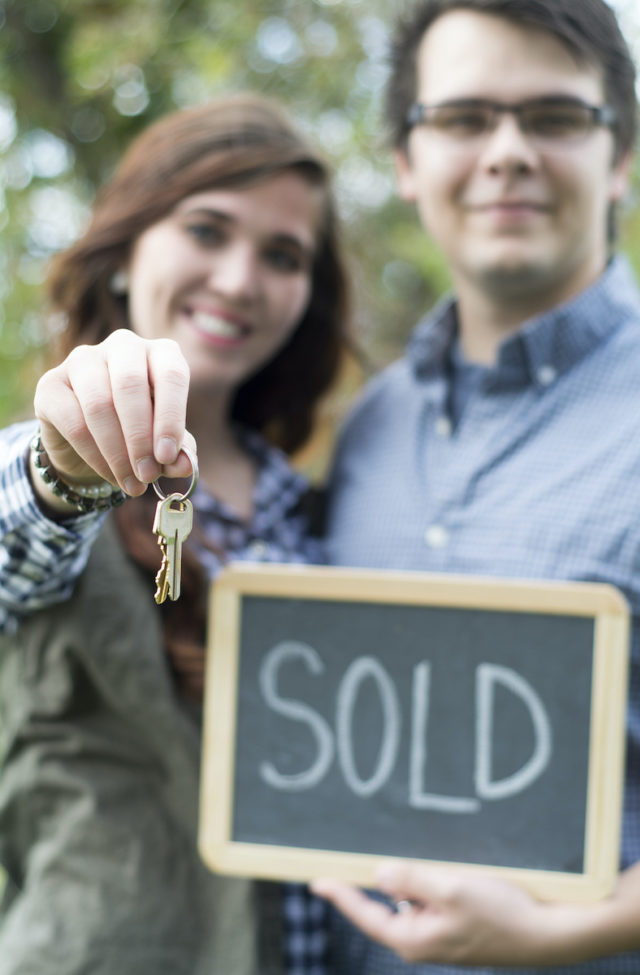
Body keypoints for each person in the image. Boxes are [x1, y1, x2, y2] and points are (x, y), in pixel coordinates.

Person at [313, 0, 640, 972]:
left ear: (617, 156)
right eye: (463, 119)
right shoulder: (364, 430)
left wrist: (567, 932)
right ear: (406, 163)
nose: (505, 152)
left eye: (552, 117)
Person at [0, 93, 350, 974]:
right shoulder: (41, 458)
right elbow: (19, 532)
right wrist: (66, 470)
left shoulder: (320, 506)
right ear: (125, 252)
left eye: (282, 255)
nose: (239, 279)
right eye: (206, 230)